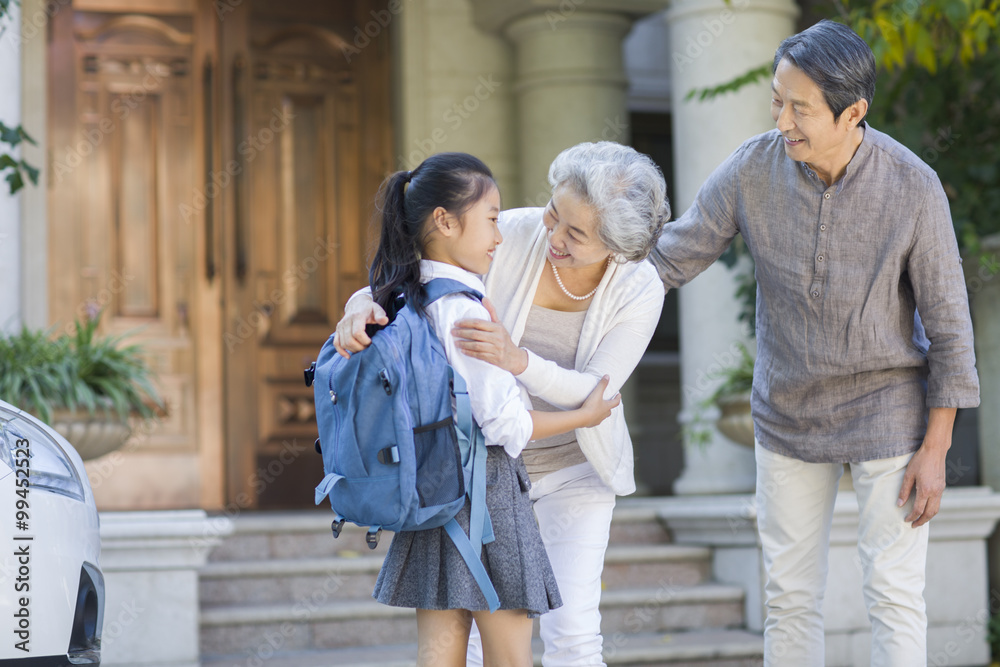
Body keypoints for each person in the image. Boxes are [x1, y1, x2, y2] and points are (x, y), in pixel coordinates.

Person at [648, 20, 979, 666]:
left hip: (889, 409)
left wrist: (936, 447)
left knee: (893, 592)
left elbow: (949, 327)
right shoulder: (752, 168)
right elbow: (671, 256)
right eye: (778, 99)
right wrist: (581, 291)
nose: (782, 120)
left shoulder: (913, 187)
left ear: (852, 112)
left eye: (800, 107)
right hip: (787, 410)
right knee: (790, 594)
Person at [336, 142, 669, 666]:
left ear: (616, 246)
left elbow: (596, 391)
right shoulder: (510, 233)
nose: (553, 236)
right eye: (553, 214)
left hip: (571, 471)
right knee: (467, 634)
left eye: (575, 234)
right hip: (478, 474)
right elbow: (423, 277)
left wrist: (519, 361)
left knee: (574, 634)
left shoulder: (640, 286)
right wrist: (361, 302)